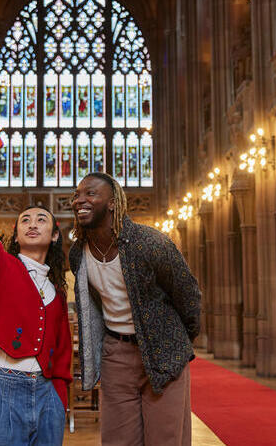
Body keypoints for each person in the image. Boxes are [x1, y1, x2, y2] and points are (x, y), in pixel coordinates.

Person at [69, 172, 202, 445]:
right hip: (116, 353)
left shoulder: (149, 243)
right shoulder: (78, 252)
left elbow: (189, 296)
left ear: (113, 203)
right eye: (76, 195)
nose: (80, 200)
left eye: (90, 194)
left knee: (165, 438)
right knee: (118, 439)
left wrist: (175, 341)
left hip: (162, 351)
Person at [0, 146, 71, 445]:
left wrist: (59, 399)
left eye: (41, 219)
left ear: (54, 235)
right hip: (3, 385)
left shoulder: (57, 291)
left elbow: (62, 353)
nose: (32, 224)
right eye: (25, 220)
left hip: (48, 394)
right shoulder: (1, 267)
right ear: (15, 233)